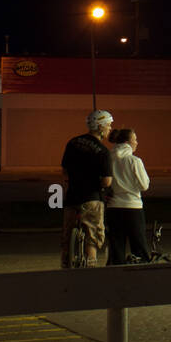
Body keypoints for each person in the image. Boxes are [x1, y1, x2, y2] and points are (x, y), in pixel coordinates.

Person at [60, 110, 114, 267]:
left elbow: (64, 170)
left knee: (67, 234)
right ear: (100, 126)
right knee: (93, 235)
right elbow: (107, 181)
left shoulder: (72, 143)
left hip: (72, 197)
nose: (110, 128)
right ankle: (91, 264)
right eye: (108, 125)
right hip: (91, 198)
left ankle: (65, 264)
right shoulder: (103, 151)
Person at [106, 127, 153, 264]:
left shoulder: (109, 158)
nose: (137, 142)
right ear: (128, 142)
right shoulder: (134, 161)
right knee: (139, 247)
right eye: (135, 139)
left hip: (113, 207)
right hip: (133, 207)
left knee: (116, 248)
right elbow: (144, 185)